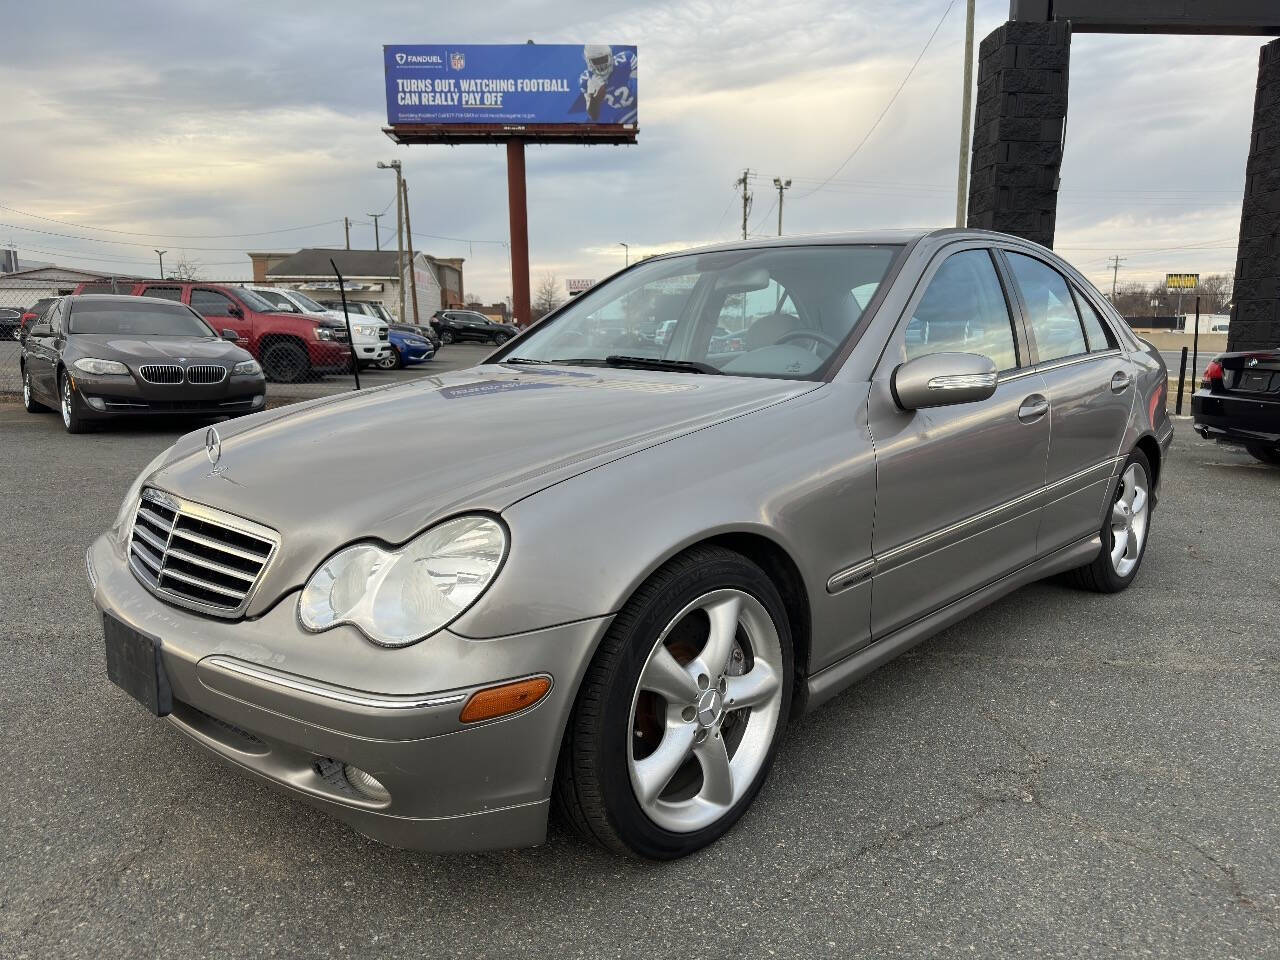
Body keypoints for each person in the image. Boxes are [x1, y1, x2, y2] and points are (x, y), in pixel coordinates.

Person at [572, 44, 637, 123]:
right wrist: (593, 96)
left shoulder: (627, 60)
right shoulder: (586, 80)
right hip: (616, 121)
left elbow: (638, 94)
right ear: (588, 62)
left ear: (610, 56)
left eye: (603, 59)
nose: (601, 65)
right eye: (596, 61)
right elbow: (593, 116)